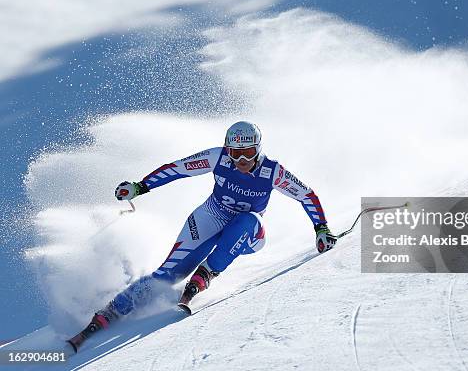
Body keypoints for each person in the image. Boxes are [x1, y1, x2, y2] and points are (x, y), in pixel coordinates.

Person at [67, 121, 337, 352]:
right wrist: (141, 186)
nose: (241, 161)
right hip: (212, 216)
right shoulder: (217, 157)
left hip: (249, 233)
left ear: (259, 150)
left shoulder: (272, 171)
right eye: (236, 153)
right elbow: (178, 168)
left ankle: (205, 274)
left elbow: (306, 195)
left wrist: (321, 229)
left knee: (248, 220)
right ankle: (112, 311)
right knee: (167, 274)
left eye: (249, 153)